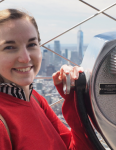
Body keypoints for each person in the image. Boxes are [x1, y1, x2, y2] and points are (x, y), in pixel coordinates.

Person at [0, 9, 94, 150]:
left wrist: (75, 98)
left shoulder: (35, 99)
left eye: (32, 44)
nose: (25, 58)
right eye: (10, 47)